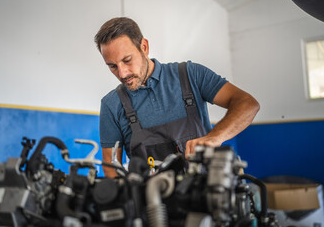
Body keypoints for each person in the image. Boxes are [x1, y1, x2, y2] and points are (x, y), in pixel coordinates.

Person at [94, 17, 260, 178]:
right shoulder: (111, 104)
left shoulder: (190, 75)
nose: (122, 73)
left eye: (127, 60)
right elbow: (111, 168)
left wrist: (215, 137)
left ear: (144, 47)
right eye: (113, 66)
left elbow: (247, 104)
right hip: (151, 204)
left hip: (207, 198)